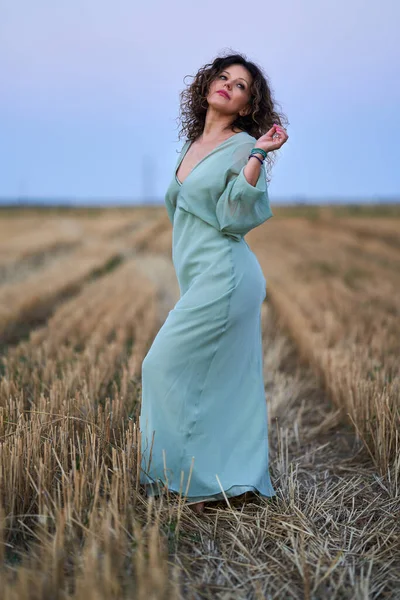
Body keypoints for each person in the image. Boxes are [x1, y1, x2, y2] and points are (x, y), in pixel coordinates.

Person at [139, 52, 289, 514]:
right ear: (206, 86)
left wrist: (260, 153)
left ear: (246, 105)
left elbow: (234, 216)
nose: (228, 85)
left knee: (159, 366)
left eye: (240, 85)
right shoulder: (190, 144)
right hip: (201, 274)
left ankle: (186, 483)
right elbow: (180, 211)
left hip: (226, 274)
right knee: (219, 380)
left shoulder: (243, 145)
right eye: (222, 77)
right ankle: (217, 482)